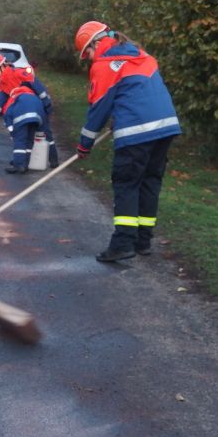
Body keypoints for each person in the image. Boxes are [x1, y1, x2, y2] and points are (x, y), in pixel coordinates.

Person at [74, 21, 181, 262]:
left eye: (87, 53)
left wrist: (84, 144)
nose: (89, 59)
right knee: (149, 183)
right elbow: (137, 93)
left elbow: (98, 109)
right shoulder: (142, 56)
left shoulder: (104, 65)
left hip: (136, 132)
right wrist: (120, 116)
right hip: (166, 128)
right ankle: (143, 242)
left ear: (96, 43)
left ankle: (123, 243)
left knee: (126, 183)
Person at [0, 54, 59, 168]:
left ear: (2, 66)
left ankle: (54, 160)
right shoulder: (2, 83)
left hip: (37, 104)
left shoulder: (19, 73)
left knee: (45, 134)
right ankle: (21, 161)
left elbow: (39, 88)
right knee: (26, 135)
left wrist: (47, 106)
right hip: (21, 107)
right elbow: (0, 102)